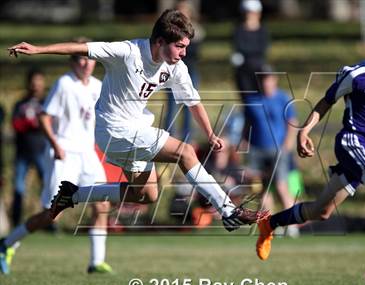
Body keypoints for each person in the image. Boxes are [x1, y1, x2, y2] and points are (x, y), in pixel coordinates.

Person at [6, 10, 267, 238]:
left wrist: (210, 133)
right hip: (112, 130)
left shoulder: (176, 66)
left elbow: (193, 102)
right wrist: (39, 49)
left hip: (135, 130)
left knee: (145, 195)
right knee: (184, 152)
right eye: (180, 46)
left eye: (186, 46)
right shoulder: (128, 52)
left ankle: (73, 195)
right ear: (160, 41)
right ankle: (228, 211)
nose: (184, 53)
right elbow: (81, 49)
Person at [255, 15, 365, 284]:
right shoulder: (355, 74)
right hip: (352, 142)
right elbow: (325, 102)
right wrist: (305, 131)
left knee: (322, 211)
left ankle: (269, 224)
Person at [0, 38, 113, 275]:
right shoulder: (64, 84)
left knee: (102, 204)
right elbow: (44, 117)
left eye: (90, 59)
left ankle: (97, 261)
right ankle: (7, 244)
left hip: (87, 154)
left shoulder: (98, 85)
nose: (86, 63)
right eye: (81, 59)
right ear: (73, 62)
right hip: (65, 154)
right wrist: (56, 145)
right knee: (52, 214)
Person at [244, 66, 299, 237]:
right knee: (263, 190)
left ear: (274, 79)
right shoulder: (252, 101)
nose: (266, 82)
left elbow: (292, 123)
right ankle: (269, 225)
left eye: (269, 78)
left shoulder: (283, 98)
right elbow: (247, 126)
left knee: (282, 186)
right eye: (263, 79)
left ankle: (292, 226)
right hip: (257, 150)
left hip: (278, 150)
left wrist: (287, 146)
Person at [164, 0, 204, 142]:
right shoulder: (169, 32)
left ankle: (187, 138)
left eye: (185, 11)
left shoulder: (197, 30)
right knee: (171, 106)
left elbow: (195, 53)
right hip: (171, 71)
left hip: (190, 71)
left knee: (190, 105)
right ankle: (168, 139)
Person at [11, 68, 47, 227]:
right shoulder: (20, 103)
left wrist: (36, 124)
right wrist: (33, 123)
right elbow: (16, 124)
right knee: (19, 188)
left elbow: (51, 123)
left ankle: (50, 222)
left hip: (42, 151)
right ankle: (16, 223)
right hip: (23, 153)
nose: (35, 85)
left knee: (49, 188)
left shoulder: (47, 102)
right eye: (33, 82)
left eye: (38, 82)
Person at [232, 0, 269, 101]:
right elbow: (239, 47)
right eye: (247, 13)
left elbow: (262, 48)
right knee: (247, 101)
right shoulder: (239, 30)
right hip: (244, 72)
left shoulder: (262, 31)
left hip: (259, 70)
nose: (249, 16)